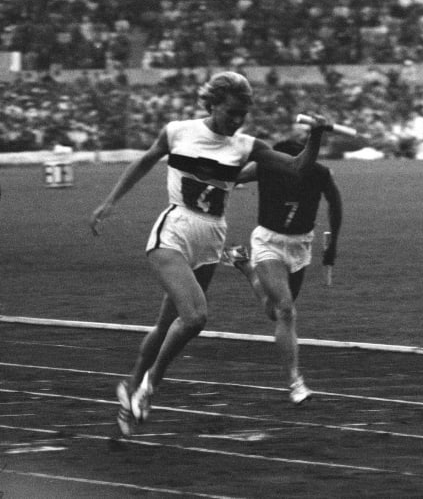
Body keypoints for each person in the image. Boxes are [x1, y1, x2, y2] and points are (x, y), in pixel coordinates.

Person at [89, 71, 332, 437]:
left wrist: (315, 136)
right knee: (195, 316)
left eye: (243, 115)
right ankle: (149, 385)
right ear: (213, 103)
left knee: (167, 323)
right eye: (231, 112)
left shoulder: (247, 146)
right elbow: (144, 161)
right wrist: (110, 201)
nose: (237, 121)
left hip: (211, 238)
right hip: (174, 232)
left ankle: (131, 385)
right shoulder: (178, 132)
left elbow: (298, 166)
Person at [221, 137, 343, 404]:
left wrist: (332, 244)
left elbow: (335, 203)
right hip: (268, 242)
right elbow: (230, 178)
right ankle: (295, 383)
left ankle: (244, 265)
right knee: (286, 310)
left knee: (274, 311)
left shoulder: (320, 173)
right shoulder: (263, 168)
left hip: (301, 245)